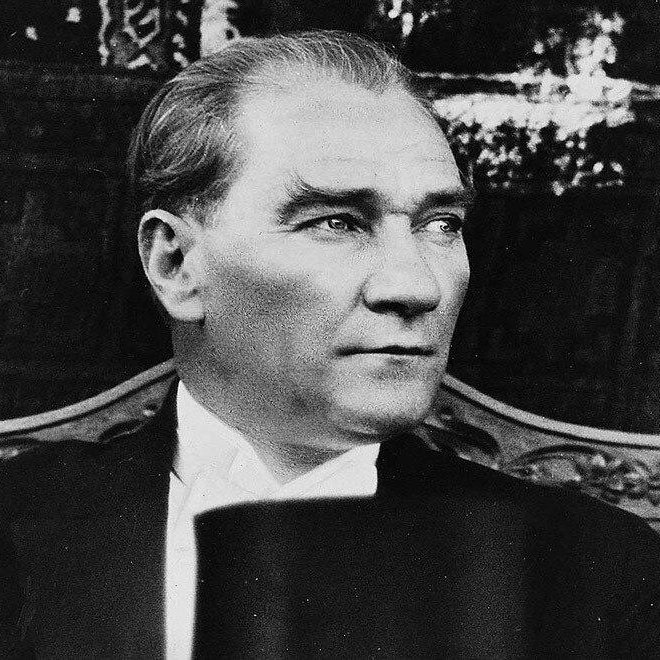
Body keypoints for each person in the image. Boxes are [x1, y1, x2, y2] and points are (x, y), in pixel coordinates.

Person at [1, 30, 660, 659]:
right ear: (176, 265)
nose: (417, 287)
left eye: (440, 223)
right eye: (337, 222)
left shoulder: (600, 574)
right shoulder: (18, 529)